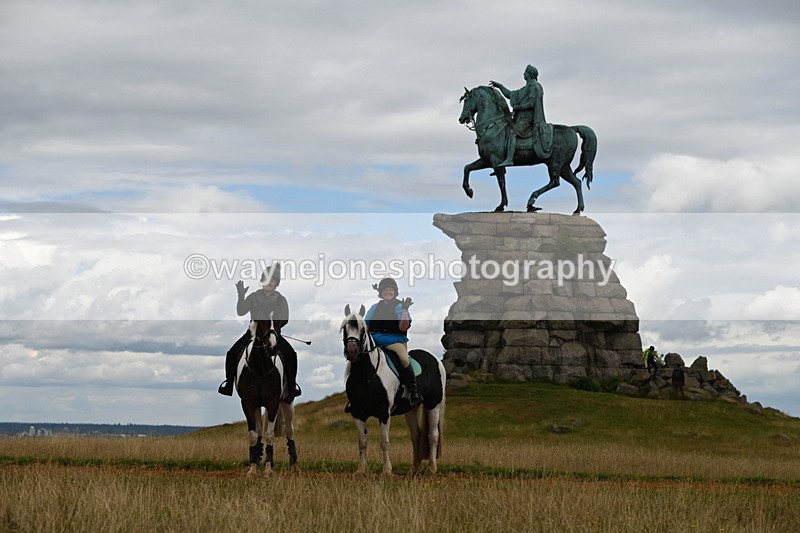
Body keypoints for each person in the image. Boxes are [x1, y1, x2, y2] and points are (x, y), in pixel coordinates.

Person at [217, 264, 301, 401]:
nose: (269, 283)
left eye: (273, 280)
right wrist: (241, 295)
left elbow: (285, 318)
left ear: (276, 283)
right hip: (253, 333)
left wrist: (273, 327)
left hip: (273, 334)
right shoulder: (254, 296)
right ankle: (228, 384)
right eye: (267, 279)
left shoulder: (281, 299)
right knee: (232, 352)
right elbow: (241, 311)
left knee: (291, 354)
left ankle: (292, 386)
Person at [364, 277, 422, 406]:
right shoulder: (374, 307)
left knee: (404, 359)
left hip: (394, 341)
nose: (388, 292)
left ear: (395, 292)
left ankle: (413, 391)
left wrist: (405, 311)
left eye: (390, 290)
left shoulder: (400, 306)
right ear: (381, 292)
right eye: (385, 290)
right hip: (374, 342)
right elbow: (365, 326)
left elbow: (403, 327)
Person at [489, 64, 553, 166]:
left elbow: (531, 103)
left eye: (525, 72)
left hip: (528, 118)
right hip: (521, 117)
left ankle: (509, 159)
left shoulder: (534, 87)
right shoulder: (526, 88)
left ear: (530, 74)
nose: (524, 73)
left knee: (512, 133)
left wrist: (518, 107)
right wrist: (500, 86)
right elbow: (510, 94)